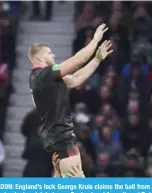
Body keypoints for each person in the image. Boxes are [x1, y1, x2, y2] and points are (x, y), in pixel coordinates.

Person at [28, 23, 113, 177]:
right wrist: (94, 41)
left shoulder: (45, 79)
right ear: (40, 57)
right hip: (61, 136)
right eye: (49, 53)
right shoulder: (43, 74)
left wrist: (97, 59)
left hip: (59, 137)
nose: (53, 56)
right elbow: (75, 62)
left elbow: (75, 79)